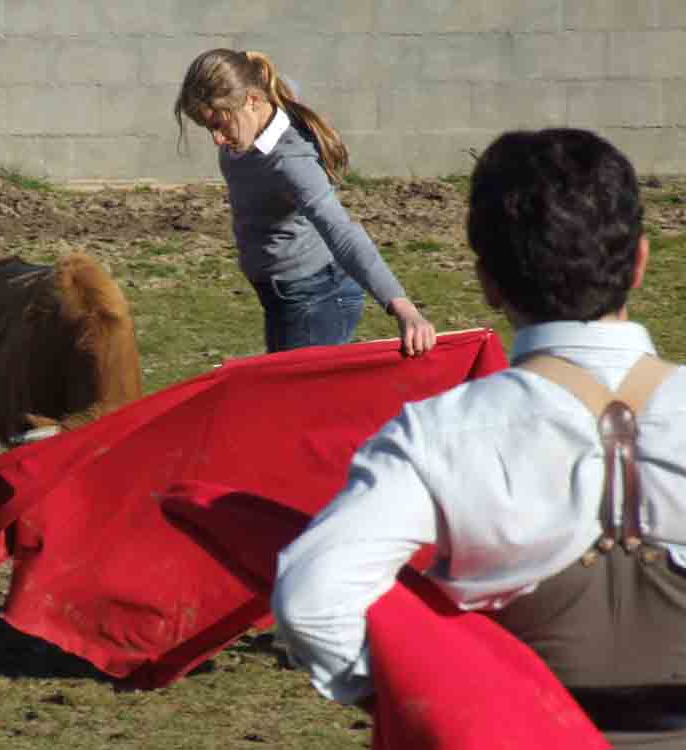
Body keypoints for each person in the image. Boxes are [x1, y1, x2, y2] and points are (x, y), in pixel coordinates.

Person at [271, 128, 686, 749]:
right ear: (641, 261)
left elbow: (312, 600)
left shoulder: (437, 433)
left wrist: (438, 698)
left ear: (488, 282)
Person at [174, 48, 435, 355]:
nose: (216, 139)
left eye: (219, 124)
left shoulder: (290, 163)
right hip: (283, 298)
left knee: (292, 402)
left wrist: (403, 308)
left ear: (253, 101)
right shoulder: (260, 98)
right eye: (208, 128)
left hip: (315, 300)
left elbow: (341, 231)